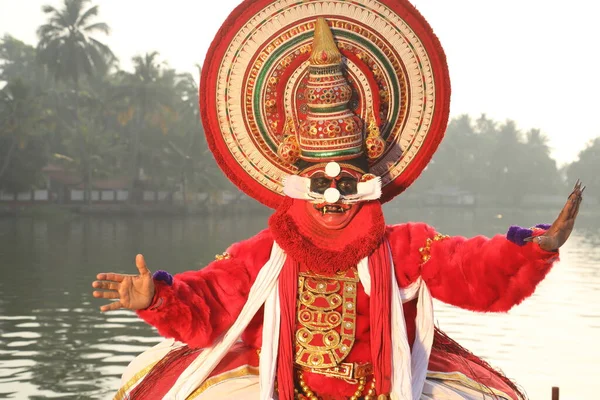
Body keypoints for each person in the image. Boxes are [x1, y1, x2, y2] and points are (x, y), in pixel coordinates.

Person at [92, 3, 583, 399]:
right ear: (295, 183)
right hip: (276, 388)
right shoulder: (262, 255)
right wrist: (157, 298)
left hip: (387, 389)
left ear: (367, 183)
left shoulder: (403, 247)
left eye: (346, 184)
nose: (332, 197)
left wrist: (537, 247)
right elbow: (208, 303)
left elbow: (471, 268)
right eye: (319, 184)